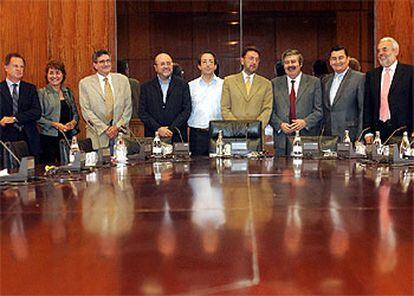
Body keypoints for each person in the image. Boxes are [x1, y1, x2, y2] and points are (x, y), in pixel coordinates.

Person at [270, 49, 323, 156]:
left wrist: (305, 122)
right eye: (287, 62)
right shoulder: (274, 83)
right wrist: (280, 124)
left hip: (306, 137)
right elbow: (269, 111)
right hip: (282, 140)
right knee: (281, 171)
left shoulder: (314, 82)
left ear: (300, 64)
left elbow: (319, 110)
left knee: (306, 171)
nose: (290, 65)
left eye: (293, 62)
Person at [79, 49, 132, 149]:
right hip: (98, 135)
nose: (106, 64)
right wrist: (106, 129)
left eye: (108, 61)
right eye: (102, 62)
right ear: (95, 65)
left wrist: (116, 127)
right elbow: (86, 111)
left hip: (120, 134)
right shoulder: (85, 83)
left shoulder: (123, 80)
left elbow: (128, 108)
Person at [363, 37, 413, 141]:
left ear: (396, 51)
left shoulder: (410, 73)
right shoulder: (372, 75)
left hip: (403, 131)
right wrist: (367, 131)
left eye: (384, 49)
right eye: (378, 51)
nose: (380, 53)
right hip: (378, 131)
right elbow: (368, 105)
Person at [139, 53, 191, 143]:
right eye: (162, 64)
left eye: (169, 63)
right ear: (155, 67)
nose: (166, 66)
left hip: (177, 136)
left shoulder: (182, 85)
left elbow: (186, 110)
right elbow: (142, 112)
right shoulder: (146, 87)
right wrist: (158, 128)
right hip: (153, 136)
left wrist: (171, 129)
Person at [37, 60, 80, 164]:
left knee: (69, 168)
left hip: (67, 137)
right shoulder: (41, 93)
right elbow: (38, 117)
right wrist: (54, 124)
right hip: (49, 138)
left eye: (58, 72)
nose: (54, 76)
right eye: (51, 73)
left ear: (63, 75)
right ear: (46, 75)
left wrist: (73, 123)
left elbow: (75, 113)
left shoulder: (67, 92)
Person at [221, 46, 273, 130]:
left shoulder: (266, 84)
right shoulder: (229, 81)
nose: (254, 62)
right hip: (235, 131)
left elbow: (267, 109)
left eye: (257, 60)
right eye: (251, 58)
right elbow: (225, 108)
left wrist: (254, 127)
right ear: (242, 61)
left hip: (257, 133)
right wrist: (239, 127)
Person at [0, 53, 41, 157]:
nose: (19, 69)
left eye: (22, 67)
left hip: (28, 138)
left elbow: (36, 112)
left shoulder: (30, 89)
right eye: (16, 66)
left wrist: (15, 118)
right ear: (6, 68)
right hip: (4, 138)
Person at [321, 46, 365, 142]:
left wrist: (360, 137)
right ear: (330, 61)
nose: (337, 61)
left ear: (348, 59)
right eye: (334, 59)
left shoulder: (359, 78)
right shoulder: (325, 80)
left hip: (350, 134)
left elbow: (362, 109)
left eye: (341, 58)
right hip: (328, 135)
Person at [188, 51, 223, 156]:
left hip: (218, 133)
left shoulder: (224, 85)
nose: (208, 65)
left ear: (215, 66)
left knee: (219, 167)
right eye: (204, 62)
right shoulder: (191, 86)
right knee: (197, 168)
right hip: (197, 133)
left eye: (211, 62)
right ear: (199, 66)